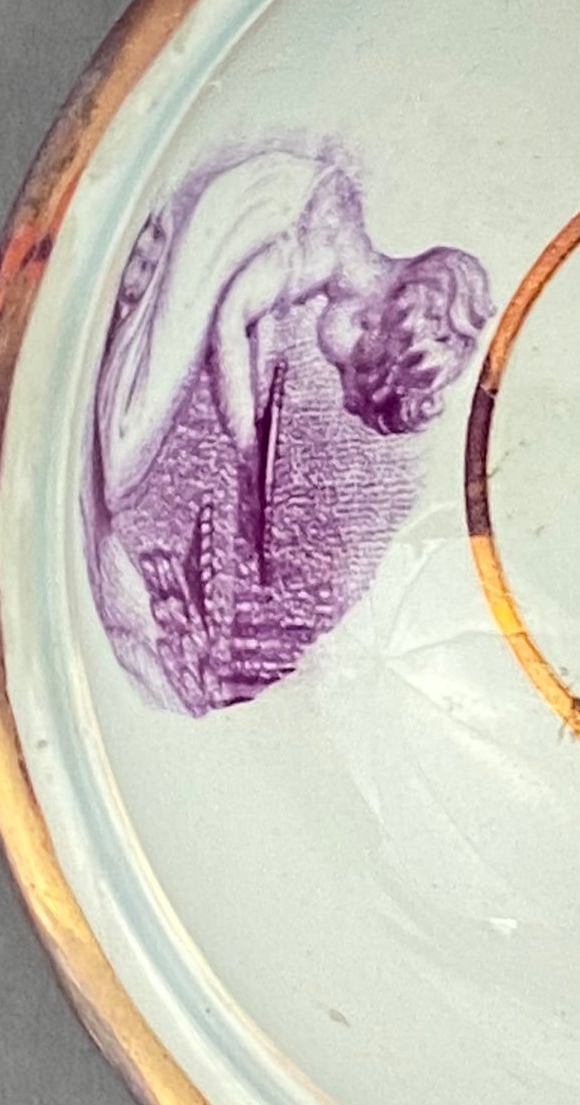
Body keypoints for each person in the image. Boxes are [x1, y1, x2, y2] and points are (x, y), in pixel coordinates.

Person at [86, 145, 491, 711]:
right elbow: (232, 315)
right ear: (369, 322)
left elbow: (254, 320)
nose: (339, 373)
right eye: (348, 368)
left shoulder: (337, 235)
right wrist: (245, 441)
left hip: (237, 218)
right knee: (127, 447)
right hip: (221, 226)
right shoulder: (327, 252)